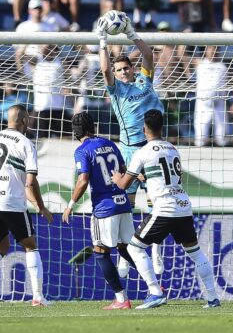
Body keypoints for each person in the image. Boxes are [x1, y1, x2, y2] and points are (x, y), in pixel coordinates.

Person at [111, 109, 220, 309]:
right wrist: (146, 178)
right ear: (162, 127)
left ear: (144, 129)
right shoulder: (172, 148)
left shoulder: (142, 152)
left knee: (134, 248)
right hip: (183, 206)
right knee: (195, 253)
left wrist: (117, 178)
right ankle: (213, 298)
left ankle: (155, 292)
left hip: (163, 208)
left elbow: (123, 185)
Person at [62, 112, 168, 310]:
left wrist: (70, 204)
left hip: (104, 208)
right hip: (123, 203)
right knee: (127, 248)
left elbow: (83, 179)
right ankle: (155, 286)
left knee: (101, 252)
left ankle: (121, 299)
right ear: (92, 127)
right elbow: (123, 168)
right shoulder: (110, 144)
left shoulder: (82, 150)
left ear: (75, 132)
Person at [0, 105, 54, 307]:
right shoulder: (26, 144)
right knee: (30, 246)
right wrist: (41, 206)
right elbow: (30, 182)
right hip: (11, 201)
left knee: (0, 246)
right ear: (24, 121)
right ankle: (38, 297)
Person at [97, 12, 165, 274]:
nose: (124, 72)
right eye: (120, 70)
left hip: (153, 148)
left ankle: (156, 251)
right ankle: (126, 254)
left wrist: (132, 34)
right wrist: (102, 40)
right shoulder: (116, 91)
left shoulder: (144, 80)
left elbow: (149, 55)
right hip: (129, 150)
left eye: (127, 68)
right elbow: (104, 69)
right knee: (127, 204)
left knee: (156, 203)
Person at [193, 46, 230, 147]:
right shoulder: (199, 63)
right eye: (211, 48)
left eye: (215, 49)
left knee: (221, 138)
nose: (213, 51)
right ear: (206, 50)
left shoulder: (223, 67)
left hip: (219, 103)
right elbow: (181, 55)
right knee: (200, 138)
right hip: (203, 104)